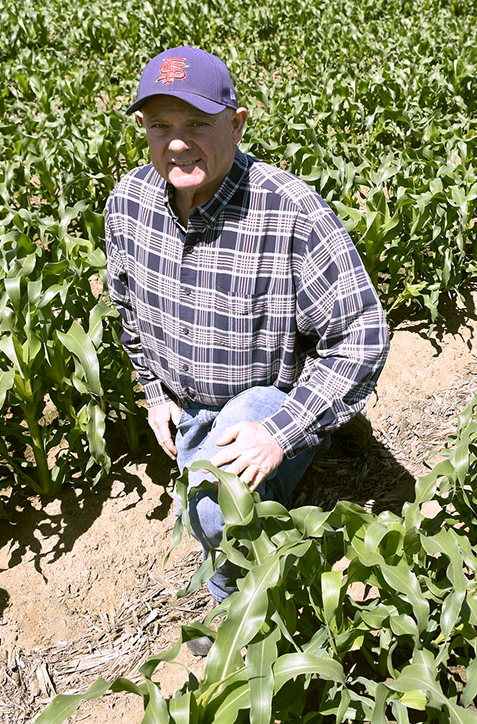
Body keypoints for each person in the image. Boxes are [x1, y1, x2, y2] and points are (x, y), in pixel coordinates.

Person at [104, 47, 390, 615]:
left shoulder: (289, 211)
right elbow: (127, 309)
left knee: (215, 511)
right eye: (160, 126)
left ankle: (234, 602)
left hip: (264, 401)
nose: (177, 143)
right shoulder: (129, 204)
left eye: (197, 124)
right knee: (208, 496)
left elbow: (362, 331)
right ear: (143, 129)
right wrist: (154, 393)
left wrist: (281, 432)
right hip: (187, 404)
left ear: (235, 124)